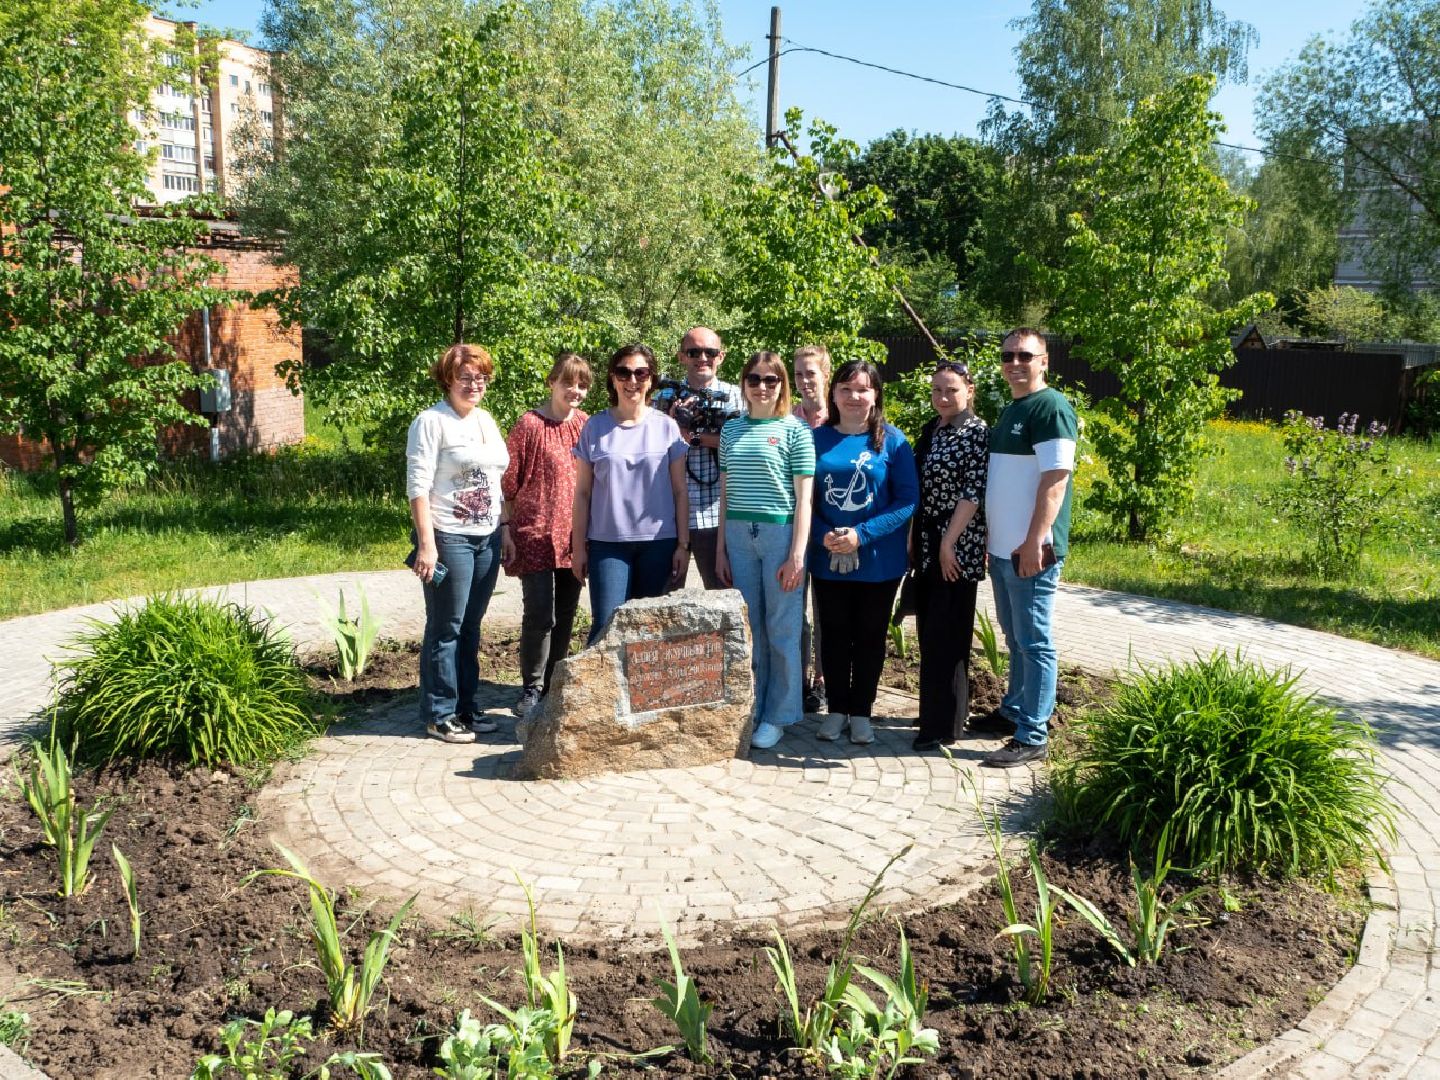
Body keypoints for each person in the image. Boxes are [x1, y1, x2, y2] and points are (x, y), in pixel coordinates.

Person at [973, 328, 1078, 768]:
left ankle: (1033, 733)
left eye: (1025, 355)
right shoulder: (1013, 408)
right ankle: (1014, 711)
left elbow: (1055, 479)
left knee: (1034, 642)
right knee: (1015, 638)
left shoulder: (1051, 407)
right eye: (1008, 356)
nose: (1015, 363)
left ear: (1044, 361)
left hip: (1028, 551)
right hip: (1003, 549)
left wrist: (1036, 540)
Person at [406, 343, 514, 743]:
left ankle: (466, 706)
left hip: (487, 536)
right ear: (447, 379)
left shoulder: (485, 420)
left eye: (481, 377)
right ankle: (440, 713)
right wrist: (426, 544)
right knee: (446, 627)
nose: (474, 384)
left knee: (471, 626)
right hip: (449, 536)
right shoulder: (431, 422)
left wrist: (504, 527)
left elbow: (496, 480)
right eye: (465, 377)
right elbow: (417, 486)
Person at [809, 359, 918, 746]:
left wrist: (862, 534)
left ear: (875, 394)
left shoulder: (894, 441)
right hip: (827, 557)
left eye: (862, 389)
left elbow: (907, 500)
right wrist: (823, 535)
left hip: (878, 562)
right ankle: (837, 709)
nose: (854, 396)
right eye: (846, 389)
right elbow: (802, 498)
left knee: (870, 637)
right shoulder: (816, 439)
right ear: (834, 394)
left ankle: (861, 713)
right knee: (834, 635)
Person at [715, 352, 815, 750]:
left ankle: (779, 714)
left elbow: (804, 500)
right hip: (739, 535)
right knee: (750, 628)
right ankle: (752, 708)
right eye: (754, 379)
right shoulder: (731, 430)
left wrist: (797, 555)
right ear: (744, 383)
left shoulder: (795, 430)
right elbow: (725, 495)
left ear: (782, 385)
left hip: (780, 535)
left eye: (770, 380)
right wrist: (721, 548)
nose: (762, 386)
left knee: (782, 628)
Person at [572, 344, 689, 645]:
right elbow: (582, 493)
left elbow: (680, 491)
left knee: (649, 633)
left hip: (659, 544)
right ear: (613, 378)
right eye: (623, 372)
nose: (632, 380)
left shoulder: (667, 427)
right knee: (606, 628)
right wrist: (578, 547)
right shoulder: (595, 427)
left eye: (641, 373)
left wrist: (683, 545)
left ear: (651, 379)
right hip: (607, 545)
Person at [501, 352, 592, 717]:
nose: (575, 391)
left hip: (574, 536)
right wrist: (505, 528)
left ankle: (556, 684)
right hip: (534, 532)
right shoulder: (529, 425)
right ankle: (531, 687)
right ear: (552, 382)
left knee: (567, 613)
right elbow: (507, 483)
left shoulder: (587, 425)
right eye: (568, 382)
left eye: (582, 385)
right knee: (540, 613)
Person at [910, 360, 989, 752]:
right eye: (937, 390)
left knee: (948, 633)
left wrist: (948, 543)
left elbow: (973, 493)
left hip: (957, 545)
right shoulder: (934, 429)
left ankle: (942, 725)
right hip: (929, 541)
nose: (942, 397)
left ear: (969, 391)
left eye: (951, 390)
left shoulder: (976, 433)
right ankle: (939, 715)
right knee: (931, 632)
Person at [663, 327, 744, 590]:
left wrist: (693, 436)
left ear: (721, 356)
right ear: (681, 356)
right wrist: (670, 424)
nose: (702, 358)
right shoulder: (663, 398)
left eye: (710, 352)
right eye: (693, 352)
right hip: (669, 518)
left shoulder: (739, 397)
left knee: (725, 601)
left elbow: (745, 448)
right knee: (659, 602)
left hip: (719, 516)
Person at [791, 344, 831, 716]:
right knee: (795, 608)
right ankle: (799, 678)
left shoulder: (840, 416)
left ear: (825, 375)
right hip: (795, 527)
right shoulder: (788, 418)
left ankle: (822, 680)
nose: (805, 381)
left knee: (825, 610)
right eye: (799, 374)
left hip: (831, 528)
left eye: (811, 373)